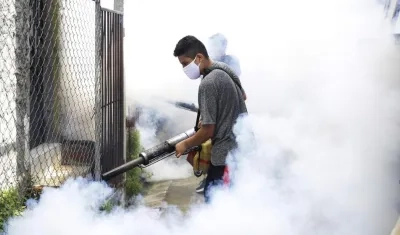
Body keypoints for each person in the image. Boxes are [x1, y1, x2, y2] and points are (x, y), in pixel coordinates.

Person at [173, 35, 248, 203]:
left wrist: (185, 144)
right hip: (243, 149)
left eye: (185, 63)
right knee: (238, 202)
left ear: (199, 57)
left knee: (215, 202)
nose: (185, 69)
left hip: (226, 154)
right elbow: (242, 96)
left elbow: (208, 130)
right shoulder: (223, 68)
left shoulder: (208, 83)